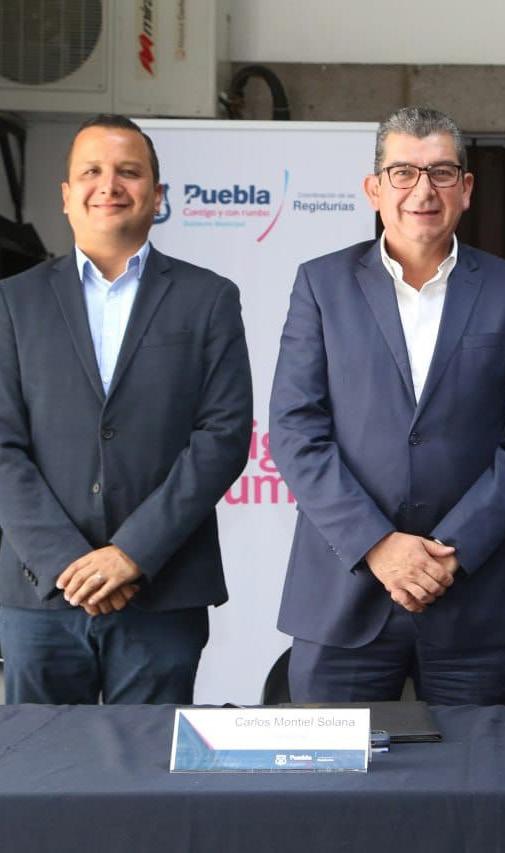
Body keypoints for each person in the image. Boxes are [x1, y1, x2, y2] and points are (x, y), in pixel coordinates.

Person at [270, 106, 505, 706]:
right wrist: (378, 545)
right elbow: (297, 430)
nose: (422, 190)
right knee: (332, 766)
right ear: (374, 189)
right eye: (402, 172)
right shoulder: (321, 285)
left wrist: (449, 554)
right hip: (343, 596)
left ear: (466, 188)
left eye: (441, 172)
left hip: (472, 601)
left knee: (475, 766)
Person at [0, 114, 252, 704]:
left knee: (150, 761)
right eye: (91, 171)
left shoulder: (209, 298)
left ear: (157, 196)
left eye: (128, 172)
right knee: (40, 757)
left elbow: (222, 436)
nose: (109, 185)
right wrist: (69, 563)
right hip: (40, 594)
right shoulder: (13, 302)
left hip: (162, 590)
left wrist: (132, 553)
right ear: (66, 195)